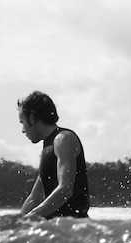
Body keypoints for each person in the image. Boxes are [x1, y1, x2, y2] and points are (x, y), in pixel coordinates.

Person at [18, 91, 89, 219]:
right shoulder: (48, 146)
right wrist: (16, 223)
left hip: (74, 228)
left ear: (32, 118)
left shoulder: (63, 139)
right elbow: (35, 197)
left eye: (22, 122)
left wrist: (31, 217)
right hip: (54, 229)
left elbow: (65, 190)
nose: (23, 130)